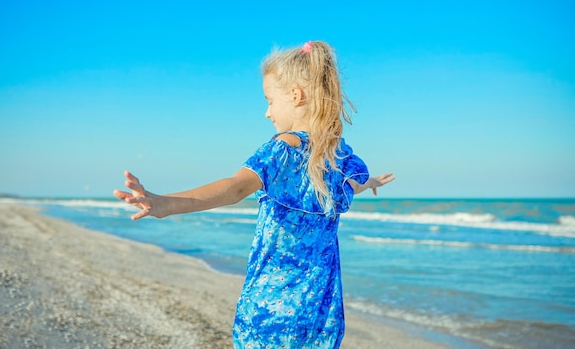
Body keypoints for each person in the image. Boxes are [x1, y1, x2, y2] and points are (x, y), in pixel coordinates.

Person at [113, 40, 395, 349]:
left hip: (270, 307)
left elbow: (235, 188)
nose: (267, 113)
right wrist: (370, 182)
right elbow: (352, 184)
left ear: (296, 96)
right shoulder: (339, 158)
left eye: (270, 101)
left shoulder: (281, 149)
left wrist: (164, 203)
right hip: (320, 309)